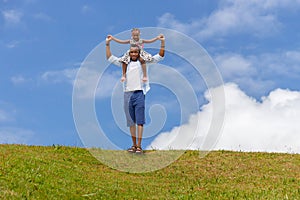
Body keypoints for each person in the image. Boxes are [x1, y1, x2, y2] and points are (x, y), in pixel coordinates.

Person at [106, 33, 165, 154]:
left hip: (139, 93)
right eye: (131, 52)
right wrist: (107, 44)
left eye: (135, 52)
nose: (133, 54)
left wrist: (162, 42)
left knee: (140, 121)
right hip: (127, 94)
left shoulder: (144, 62)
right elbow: (110, 58)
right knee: (131, 121)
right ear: (129, 53)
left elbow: (160, 56)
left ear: (139, 53)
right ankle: (133, 145)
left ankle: (139, 146)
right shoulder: (125, 63)